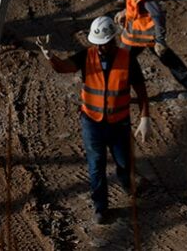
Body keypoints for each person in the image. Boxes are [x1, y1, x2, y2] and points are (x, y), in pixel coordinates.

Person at [36, 16, 151, 225]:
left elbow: (141, 91)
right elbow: (64, 67)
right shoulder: (86, 56)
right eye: (97, 44)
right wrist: (50, 56)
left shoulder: (127, 60)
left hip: (119, 123)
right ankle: (101, 208)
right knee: (95, 166)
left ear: (112, 41)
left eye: (103, 44)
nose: (100, 48)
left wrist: (145, 118)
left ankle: (127, 183)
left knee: (124, 161)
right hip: (92, 123)